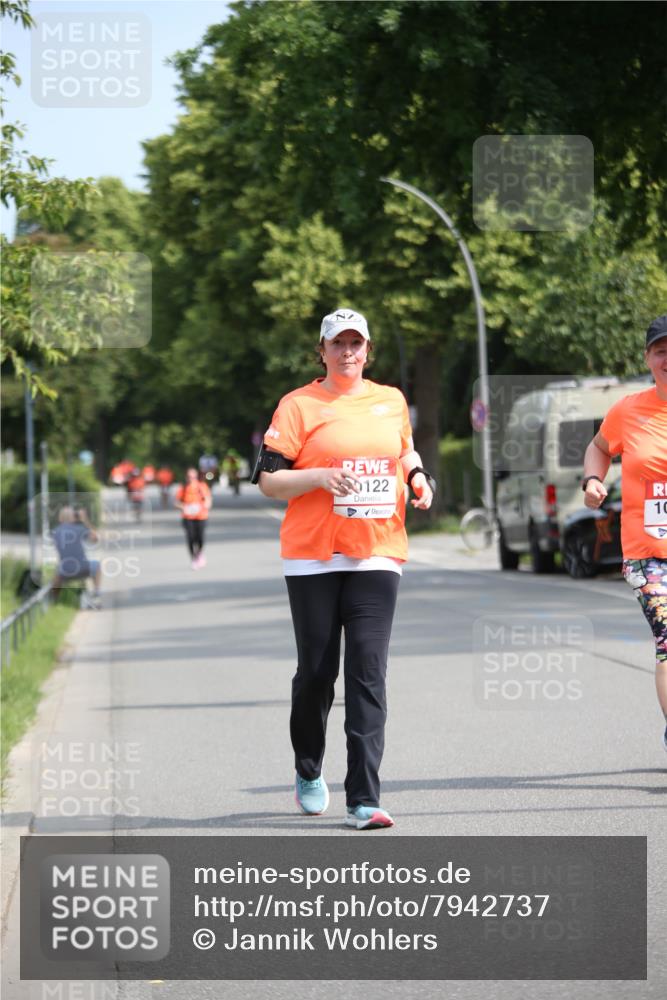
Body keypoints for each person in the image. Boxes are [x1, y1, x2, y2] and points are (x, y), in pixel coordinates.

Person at [255, 308, 434, 829]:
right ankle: (309, 769)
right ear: (323, 351)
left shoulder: (391, 401)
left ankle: (364, 799)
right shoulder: (298, 405)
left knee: (368, 672)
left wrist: (418, 477)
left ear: (368, 351)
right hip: (312, 557)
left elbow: (404, 453)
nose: (348, 352)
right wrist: (318, 478)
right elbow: (268, 481)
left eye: (357, 344)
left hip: (377, 550)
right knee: (316, 673)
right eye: (338, 344)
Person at [582, 314, 667, 751]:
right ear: (648, 358)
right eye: (661, 350)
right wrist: (593, 481)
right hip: (648, 553)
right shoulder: (629, 410)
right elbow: (598, 448)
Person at [51, 506, 102, 609]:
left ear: (60, 518)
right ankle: (96, 594)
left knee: (56, 575)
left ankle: (53, 601)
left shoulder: (55, 532)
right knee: (97, 566)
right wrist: (84, 520)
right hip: (84, 568)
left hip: (65, 572)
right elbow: (95, 538)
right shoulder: (79, 529)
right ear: (73, 517)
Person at [175, 467, 212, 569]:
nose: (191, 478)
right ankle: (194, 558)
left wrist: (205, 506)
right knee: (191, 538)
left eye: (193, 476)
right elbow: (176, 502)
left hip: (201, 516)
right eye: (189, 476)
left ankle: (199, 553)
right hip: (188, 517)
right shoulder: (183, 488)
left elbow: (208, 499)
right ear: (186, 477)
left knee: (200, 538)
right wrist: (185, 507)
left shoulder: (202, 486)